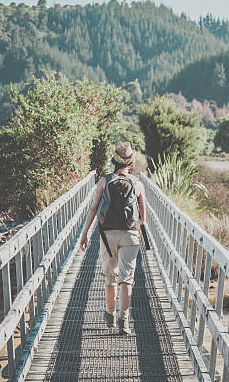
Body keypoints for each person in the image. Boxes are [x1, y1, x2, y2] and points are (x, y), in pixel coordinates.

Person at [79, 141, 146, 335]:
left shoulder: (104, 180)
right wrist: (139, 231)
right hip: (131, 234)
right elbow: (143, 215)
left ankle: (110, 315)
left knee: (111, 278)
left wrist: (85, 234)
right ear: (131, 163)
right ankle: (124, 322)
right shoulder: (138, 184)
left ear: (113, 161)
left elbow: (93, 209)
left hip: (107, 234)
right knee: (127, 279)